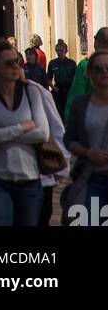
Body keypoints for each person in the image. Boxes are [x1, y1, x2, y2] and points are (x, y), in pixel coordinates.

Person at [0, 37, 50, 227]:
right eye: (9, 63)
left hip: (29, 179)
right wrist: (22, 127)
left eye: (17, 62)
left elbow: (42, 133)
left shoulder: (31, 92)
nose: (16, 67)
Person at [13, 52, 70, 229]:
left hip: (41, 172)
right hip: (8, 174)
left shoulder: (39, 93)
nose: (13, 70)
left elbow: (57, 130)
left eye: (16, 64)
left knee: (41, 218)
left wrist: (61, 166)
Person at [63, 48, 108, 225]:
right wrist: (88, 152)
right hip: (92, 178)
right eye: (98, 68)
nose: (104, 71)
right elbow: (69, 140)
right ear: (90, 73)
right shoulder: (80, 103)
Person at [64, 27, 108, 119]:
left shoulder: (86, 65)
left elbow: (76, 96)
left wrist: (70, 120)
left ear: (96, 43)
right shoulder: (85, 65)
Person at [47, 40, 77, 120]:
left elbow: (76, 77)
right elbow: (48, 78)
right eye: (57, 50)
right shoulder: (53, 63)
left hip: (69, 88)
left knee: (69, 109)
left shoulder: (71, 63)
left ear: (66, 51)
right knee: (58, 110)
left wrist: (73, 88)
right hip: (58, 89)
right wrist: (53, 87)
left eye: (61, 50)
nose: (59, 53)